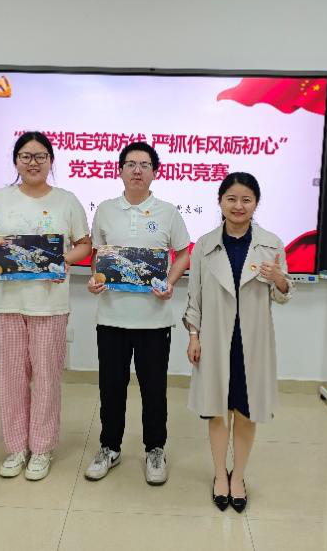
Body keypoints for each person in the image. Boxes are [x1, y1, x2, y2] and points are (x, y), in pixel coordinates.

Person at [0, 131, 90, 481]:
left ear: (51, 161)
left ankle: (41, 448)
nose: (33, 162)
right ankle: (15, 448)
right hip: (10, 302)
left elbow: (84, 245)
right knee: (12, 377)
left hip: (51, 304)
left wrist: (60, 260)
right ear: (16, 161)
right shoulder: (0, 199)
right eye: (26, 156)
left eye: (41, 156)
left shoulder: (66, 201)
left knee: (46, 378)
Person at [183, 172, 292, 513]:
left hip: (252, 343)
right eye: (231, 199)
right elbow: (195, 297)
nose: (238, 206)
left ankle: (239, 477)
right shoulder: (204, 245)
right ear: (220, 202)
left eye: (246, 199)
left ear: (256, 203)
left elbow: (283, 295)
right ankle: (220, 475)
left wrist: (280, 280)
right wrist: (193, 336)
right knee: (217, 410)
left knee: (246, 411)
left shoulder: (271, 244)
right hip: (215, 340)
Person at [85, 141, 190, 485]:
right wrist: (95, 279)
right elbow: (98, 255)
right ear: (120, 170)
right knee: (111, 387)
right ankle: (109, 447)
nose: (137, 170)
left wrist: (170, 282)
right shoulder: (105, 210)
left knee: (154, 389)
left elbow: (183, 253)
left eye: (145, 165)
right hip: (111, 317)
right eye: (130, 164)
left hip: (154, 320)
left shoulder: (168, 212)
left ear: (155, 172)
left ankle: (155, 449)